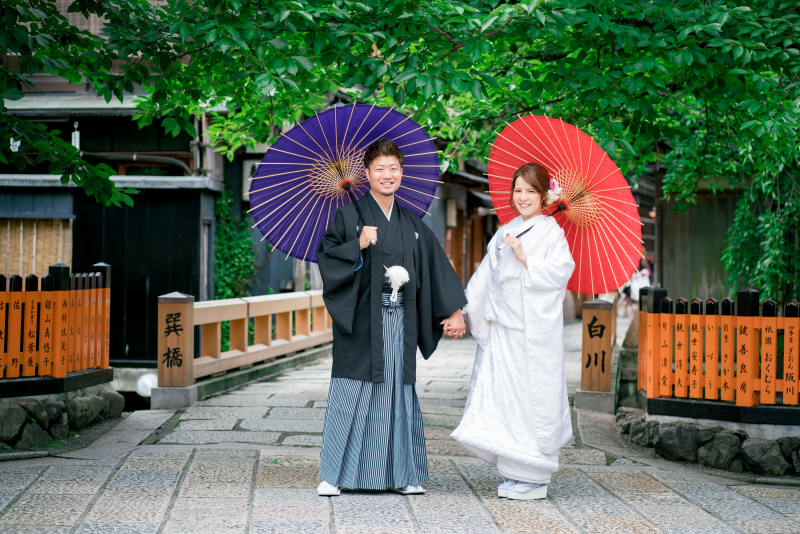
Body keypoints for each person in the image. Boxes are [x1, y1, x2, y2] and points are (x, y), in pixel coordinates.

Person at [315, 137, 467, 496]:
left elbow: (434, 265)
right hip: (360, 320)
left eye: (393, 168)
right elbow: (327, 257)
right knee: (352, 390)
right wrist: (356, 245)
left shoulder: (412, 223)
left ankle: (402, 475)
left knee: (397, 392)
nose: (387, 175)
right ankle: (334, 475)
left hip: (399, 321)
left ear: (401, 172)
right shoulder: (348, 217)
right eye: (380, 168)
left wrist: (454, 310)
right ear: (367, 174)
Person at [451, 162, 575, 500]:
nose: (523, 197)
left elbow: (561, 272)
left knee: (530, 399)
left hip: (531, 335)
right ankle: (514, 470)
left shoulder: (551, 231)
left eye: (531, 191)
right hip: (503, 329)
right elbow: (484, 277)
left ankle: (535, 476)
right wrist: (460, 309)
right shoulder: (505, 230)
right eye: (518, 190)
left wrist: (525, 258)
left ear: (545, 196)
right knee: (506, 398)